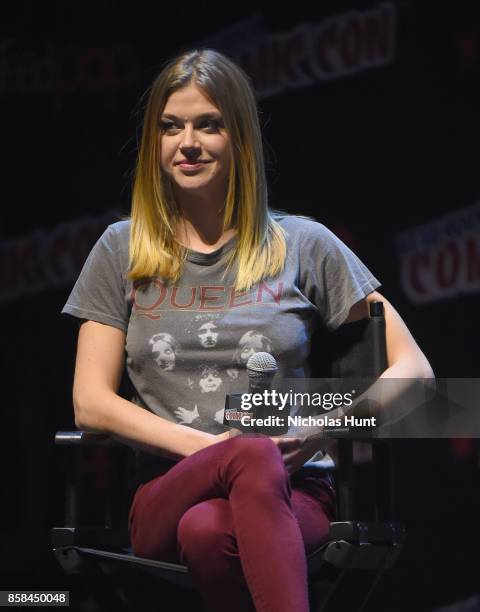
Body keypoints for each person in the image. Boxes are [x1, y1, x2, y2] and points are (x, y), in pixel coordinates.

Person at [62, 49, 433, 612]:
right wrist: (218, 452)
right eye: (170, 127)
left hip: (292, 493)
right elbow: (90, 403)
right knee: (249, 458)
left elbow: (417, 374)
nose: (187, 142)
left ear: (239, 138)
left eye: (207, 124)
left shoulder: (303, 244)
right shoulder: (121, 249)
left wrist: (321, 431)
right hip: (167, 490)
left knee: (211, 533)